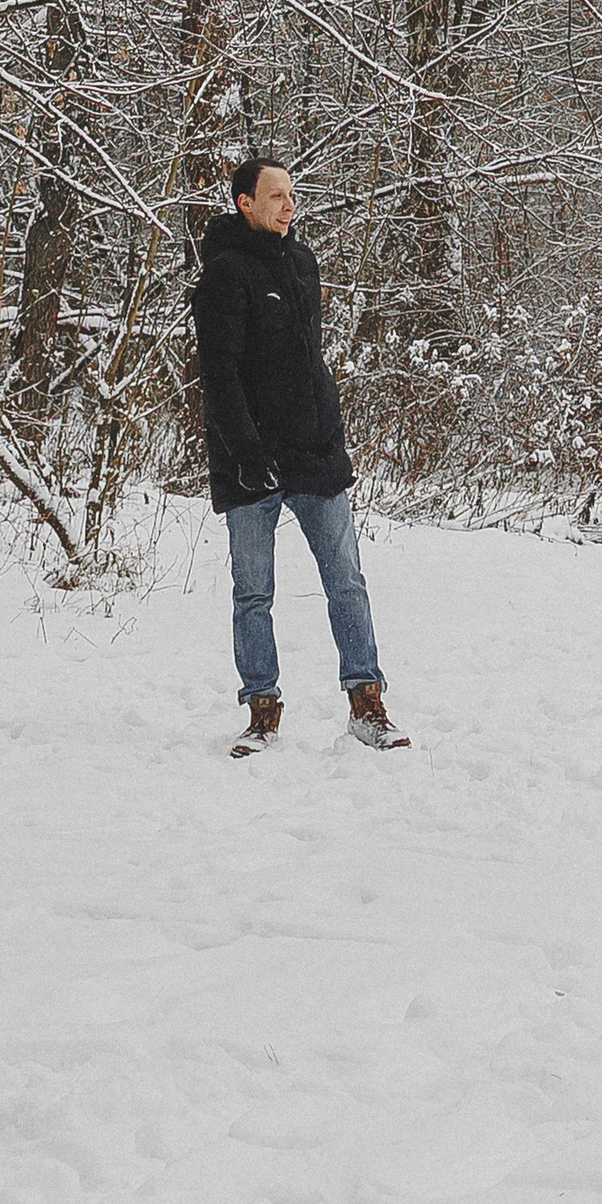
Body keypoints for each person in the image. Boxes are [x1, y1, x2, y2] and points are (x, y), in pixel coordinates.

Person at [193, 154, 407, 758]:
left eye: (292, 194)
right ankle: (262, 710)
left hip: (314, 450)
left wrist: (329, 430)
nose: (291, 204)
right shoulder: (225, 274)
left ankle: (367, 704)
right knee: (253, 591)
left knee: (347, 581)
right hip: (251, 460)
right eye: (278, 196)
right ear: (246, 203)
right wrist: (243, 450)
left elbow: (308, 360)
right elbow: (220, 375)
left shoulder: (302, 261)